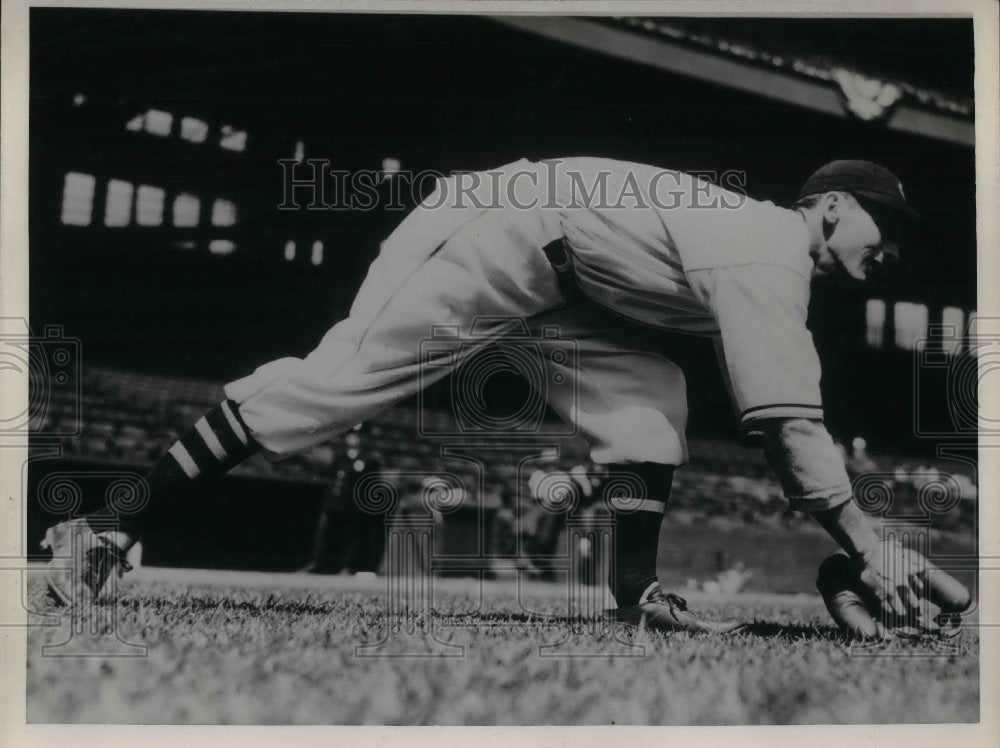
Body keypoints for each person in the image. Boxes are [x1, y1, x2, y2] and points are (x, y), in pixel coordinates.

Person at [44, 157, 966, 635]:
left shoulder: (761, 247)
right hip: (498, 230)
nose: (900, 249)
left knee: (650, 398)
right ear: (833, 205)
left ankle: (635, 592)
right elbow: (783, 423)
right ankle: (111, 520)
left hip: (555, 280)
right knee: (333, 387)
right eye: (891, 223)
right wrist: (871, 547)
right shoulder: (769, 245)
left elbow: (778, 418)